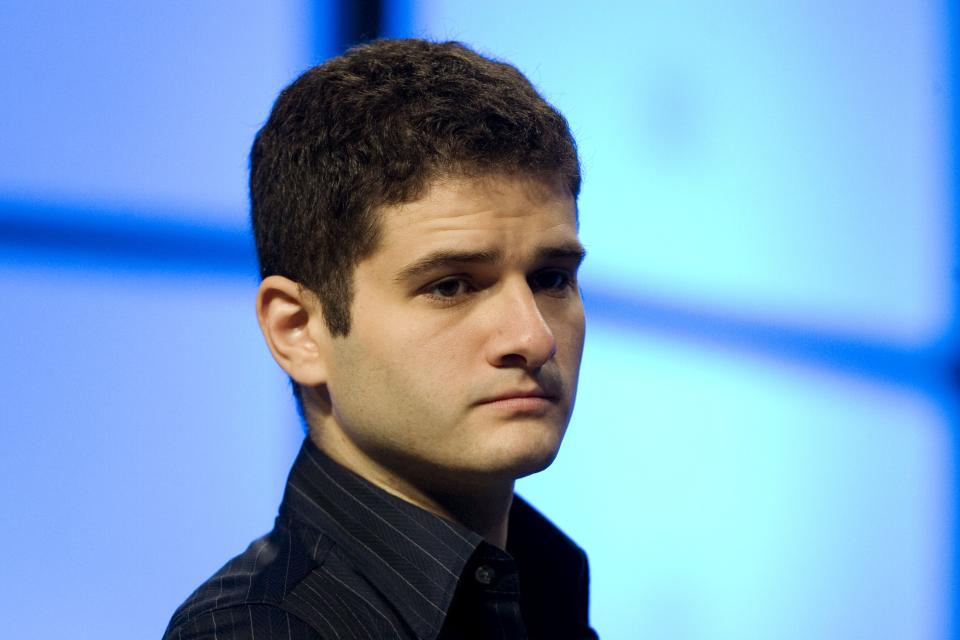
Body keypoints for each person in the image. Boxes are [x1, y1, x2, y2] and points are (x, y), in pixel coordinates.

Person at [163, 38, 596, 639]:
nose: (533, 337)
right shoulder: (261, 630)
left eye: (551, 278)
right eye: (450, 286)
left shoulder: (545, 587)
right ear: (298, 330)